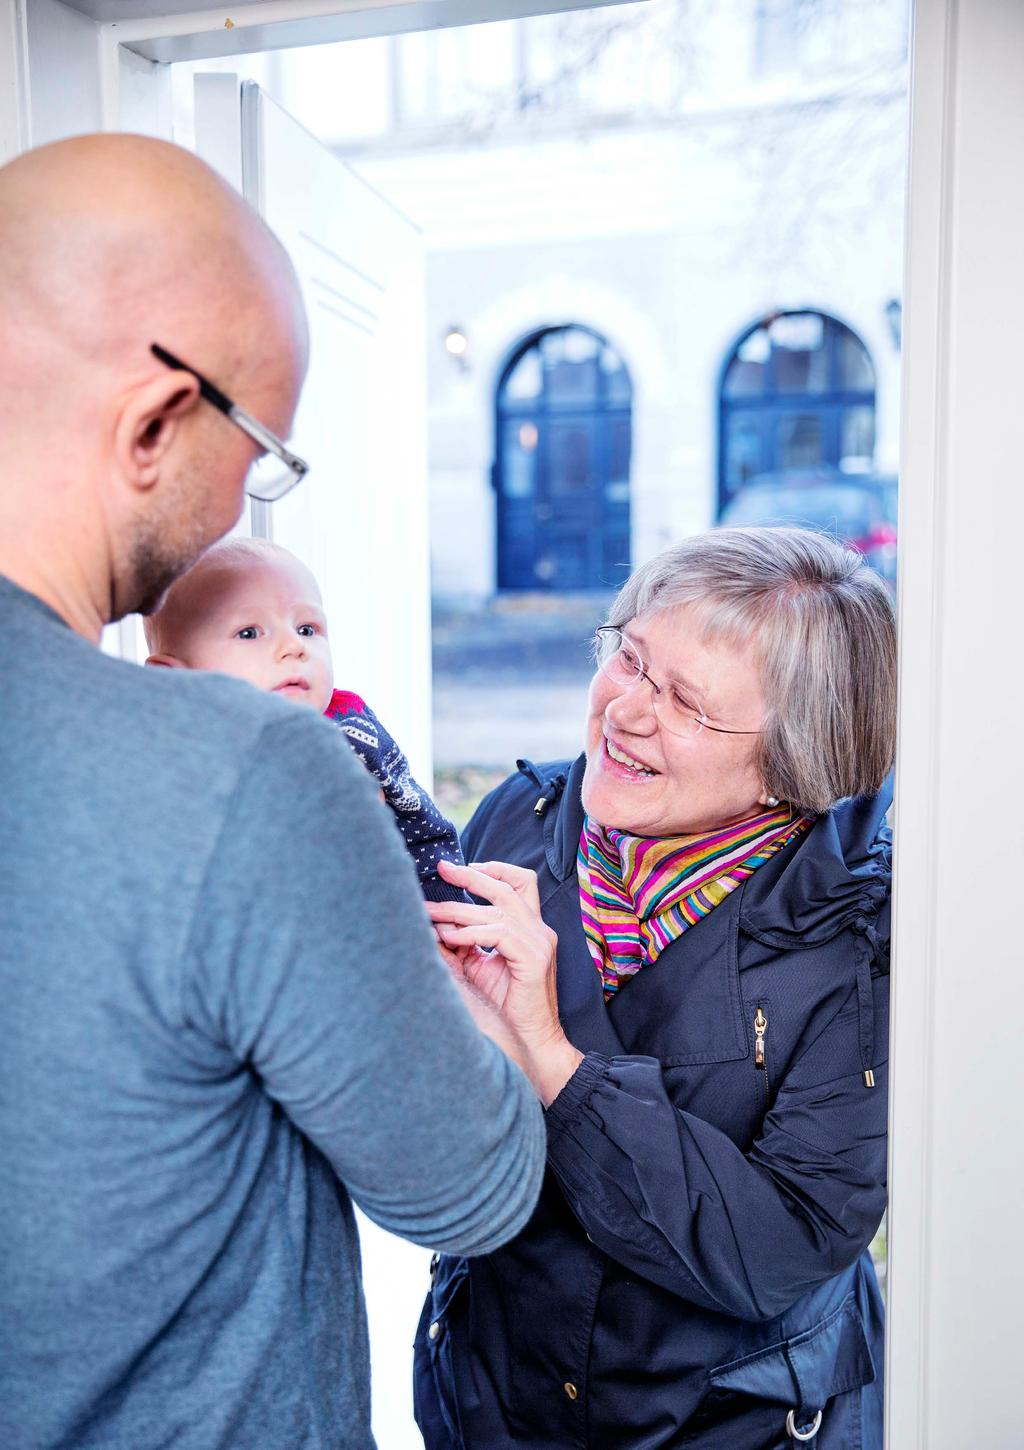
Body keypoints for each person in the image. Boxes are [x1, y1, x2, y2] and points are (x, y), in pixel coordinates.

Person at [0, 134, 544, 1450]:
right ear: (155, 422)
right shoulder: (244, 780)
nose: (252, 496)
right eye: (261, 449)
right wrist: (500, 1010)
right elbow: (471, 1188)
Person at [418, 527, 895, 1450]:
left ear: (796, 758)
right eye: (629, 659)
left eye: (686, 703)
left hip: (736, 1427)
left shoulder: (859, 939)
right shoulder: (519, 817)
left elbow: (783, 1247)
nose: (625, 712)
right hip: (493, 1402)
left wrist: (553, 1061)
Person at [143, 536, 468, 904]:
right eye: (249, 633)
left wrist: (447, 918)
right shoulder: (168, 768)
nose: (293, 647)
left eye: (307, 629)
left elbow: (424, 832)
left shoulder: (353, 730)